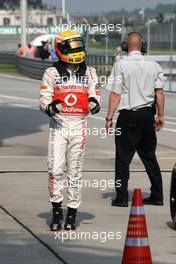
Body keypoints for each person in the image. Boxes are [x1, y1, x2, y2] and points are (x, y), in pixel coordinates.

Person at [39, 30, 101, 231]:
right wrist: (50, 107)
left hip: (79, 126)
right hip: (58, 126)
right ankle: (57, 211)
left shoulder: (90, 72)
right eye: (72, 47)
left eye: (78, 46)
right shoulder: (51, 73)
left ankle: (72, 213)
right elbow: (44, 99)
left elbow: (95, 95)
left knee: (74, 172)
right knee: (55, 169)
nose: (76, 51)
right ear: (61, 49)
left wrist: (94, 102)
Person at [105, 32, 165, 207]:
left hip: (128, 116)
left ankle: (122, 197)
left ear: (125, 46)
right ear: (142, 45)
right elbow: (159, 93)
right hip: (147, 116)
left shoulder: (121, 64)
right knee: (149, 157)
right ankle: (157, 195)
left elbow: (116, 94)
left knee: (123, 158)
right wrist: (160, 115)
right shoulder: (154, 65)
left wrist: (109, 117)